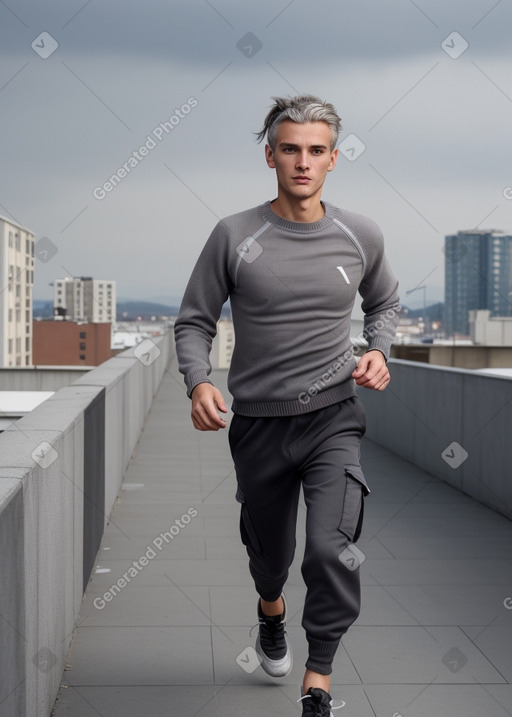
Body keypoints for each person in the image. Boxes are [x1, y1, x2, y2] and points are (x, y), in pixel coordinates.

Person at [174, 95, 400, 716]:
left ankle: (318, 677)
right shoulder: (235, 235)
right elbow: (193, 321)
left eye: (316, 151)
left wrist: (379, 350)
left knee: (330, 549)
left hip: (334, 418)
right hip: (258, 425)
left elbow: (384, 304)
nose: (303, 162)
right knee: (270, 557)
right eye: (291, 149)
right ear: (269, 154)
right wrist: (198, 381)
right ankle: (270, 610)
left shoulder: (361, 234)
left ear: (333, 159)